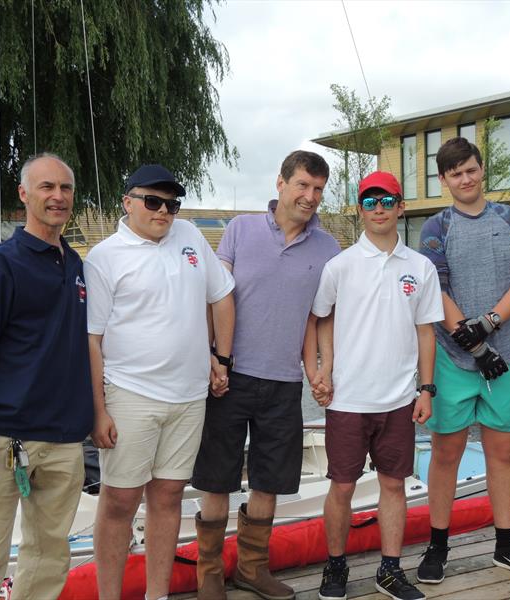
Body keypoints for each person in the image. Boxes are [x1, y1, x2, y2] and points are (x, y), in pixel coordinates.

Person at [0, 153, 94, 599]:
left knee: (48, 558)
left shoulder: (76, 266)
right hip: (4, 440)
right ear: (24, 195)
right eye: (47, 187)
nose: (58, 197)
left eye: (65, 188)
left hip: (63, 442)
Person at [191, 150, 341, 600]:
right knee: (216, 478)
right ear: (280, 183)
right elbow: (215, 298)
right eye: (302, 185)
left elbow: (322, 317)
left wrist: (320, 368)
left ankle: (251, 570)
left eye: (317, 189)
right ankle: (210, 575)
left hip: (284, 382)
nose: (310, 196)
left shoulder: (328, 247)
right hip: (230, 377)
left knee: (269, 481)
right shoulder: (240, 229)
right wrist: (216, 358)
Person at [84, 164, 235, 600]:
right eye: (153, 201)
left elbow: (222, 294)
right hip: (130, 393)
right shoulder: (104, 257)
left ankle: (157, 595)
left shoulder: (189, 237)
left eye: (172, 204)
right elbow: (91, 340)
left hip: (189, 396)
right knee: (119, 500)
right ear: (127, 202)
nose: (163, 211)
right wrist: (99, 410)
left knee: (168, 495)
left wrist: (220, 357)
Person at [310, 172, 443, 600]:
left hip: (400, 399)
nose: (380, 208)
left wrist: (426, 389)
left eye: (388, 200)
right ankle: (335, 566)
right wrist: (324, 369)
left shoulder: (420, 267)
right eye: (370, 201)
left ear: (401, 207)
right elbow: (321, 319)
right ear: (361, 211)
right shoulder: (339, 266)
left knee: (393, 484)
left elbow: (427, 332)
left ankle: (389, 569)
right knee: (343, 487)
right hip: (348, 399)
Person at [416, 137, 510, 584]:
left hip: (506, 355)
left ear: (481, 169)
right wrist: (472, 343)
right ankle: (437, 545)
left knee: (503, 452)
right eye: (455, 174)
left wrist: (489, 324)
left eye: (470, 170)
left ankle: (505, 544)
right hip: (452, 357)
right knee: (446, 452)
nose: (465, 179)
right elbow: (436, 288)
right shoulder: (435, 227)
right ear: (443, 179)